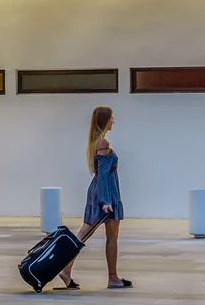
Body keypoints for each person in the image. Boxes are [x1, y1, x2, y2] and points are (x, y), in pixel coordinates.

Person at [57, 105, 132, 291]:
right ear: (105, 120)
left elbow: (101, 174)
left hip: (100, 191)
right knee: (109, 236)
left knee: (85, 234)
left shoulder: (96, 142)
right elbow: (105, 175)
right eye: (112, 118)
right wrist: (106, 201)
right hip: (106, 193)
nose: (113, 121)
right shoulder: (103, 144)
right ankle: (111, 278)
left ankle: (67, 270)